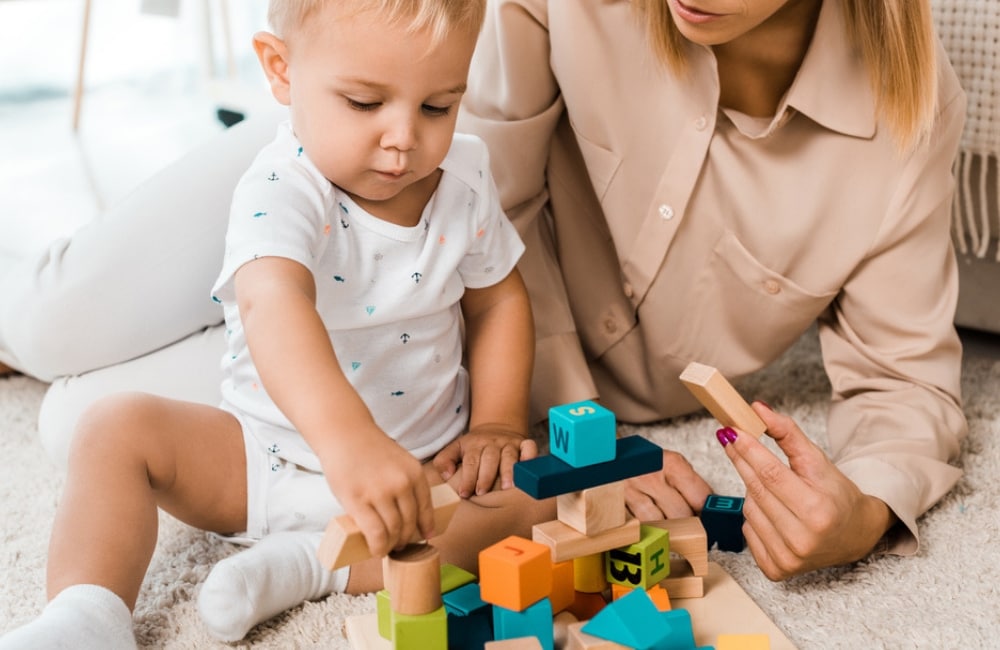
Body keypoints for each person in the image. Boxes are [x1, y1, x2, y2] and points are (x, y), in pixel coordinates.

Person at [0, 0, 965, 592]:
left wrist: (864, 510)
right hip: (343, 159)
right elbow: (457, 173)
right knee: (51, 323)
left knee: (81, 419)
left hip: (417, 344)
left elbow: (908, 386)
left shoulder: (903, 128)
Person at [0, 0, 554, 647]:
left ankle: (309, 567)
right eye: (365, 103)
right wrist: (348, 445)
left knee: (536, 499)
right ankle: (85, 613)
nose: (404, 137)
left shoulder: (464, 175)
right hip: (261, 457)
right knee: (112, 429)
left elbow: (498, 302)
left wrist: (497, 422)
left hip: (420, 475)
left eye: (437, 106)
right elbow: (274, 306)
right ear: (281, 70)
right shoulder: (281, 186)